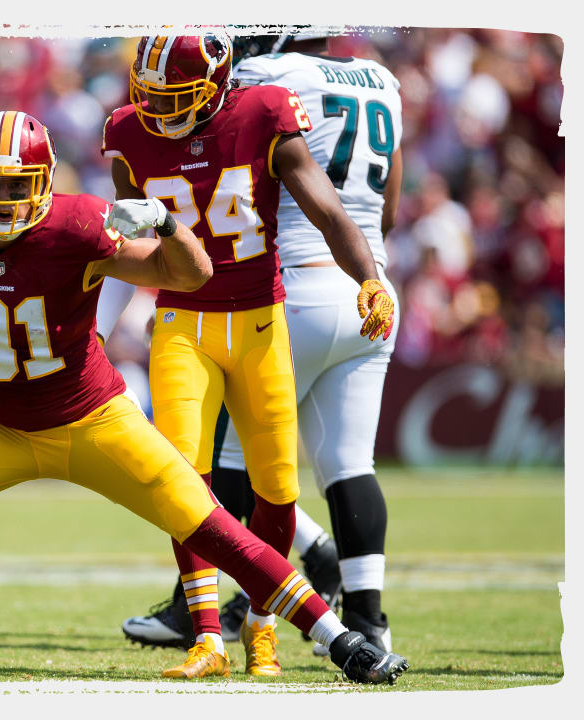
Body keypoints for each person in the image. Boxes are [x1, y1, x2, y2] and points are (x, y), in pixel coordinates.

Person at [0, 108, 407, 685]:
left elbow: (190, 275)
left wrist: (169, 225)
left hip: (93, 420)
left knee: (212, 525)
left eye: (13, 185)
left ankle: (342, 639)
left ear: (44, 183)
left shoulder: (77, 226)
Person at [98, 31, 396, 677]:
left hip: (262, 320)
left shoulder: (262, 111)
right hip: (182, 320)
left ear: (215, 84)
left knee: (278, 489)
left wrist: (369, 278)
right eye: (151, 97)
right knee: (184, 481)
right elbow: (129, 245)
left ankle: (262, 626)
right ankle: (207, 637)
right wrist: (95, 332)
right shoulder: (128, 133)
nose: (160, 113)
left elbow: (328, 209)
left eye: (177, 98)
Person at [207, 30, 404, 653]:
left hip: (293, 282)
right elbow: (389, 211)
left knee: (234, 458)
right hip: (369, 284)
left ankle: (230, 604)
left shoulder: (266, 73)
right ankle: (369, 619)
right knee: (350, 463)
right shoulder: (383, 81)